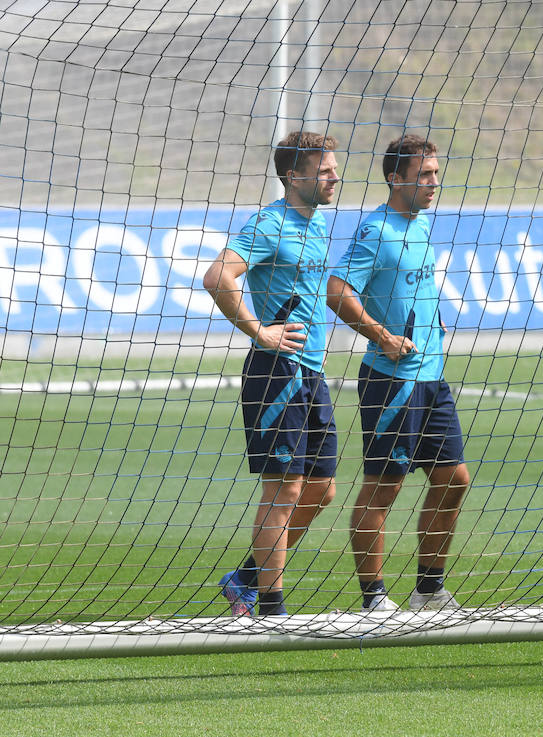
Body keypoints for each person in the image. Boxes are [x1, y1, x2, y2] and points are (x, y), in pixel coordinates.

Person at [326, 134, 472, 613]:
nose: (434, 182)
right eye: (424, 174)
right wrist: (381, 336)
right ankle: (374, 598)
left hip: (432, 377)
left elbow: (407, 288)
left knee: (454, 479)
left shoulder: (421, 226)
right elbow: (337, 290)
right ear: (395, 178)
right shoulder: (376, 230)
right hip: (391, 381)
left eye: (435, 173)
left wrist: (430, 316)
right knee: (384, 487)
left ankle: (428, 589)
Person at [202, 131, 341, 617]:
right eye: (324, 170)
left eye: (333, 167)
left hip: (312, 375)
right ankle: (272, 607)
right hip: (276, 373)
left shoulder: (320, 223)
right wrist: (261, 331)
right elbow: (217, 277)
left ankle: (243, 578)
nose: (334, 176)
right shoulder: (267, 225)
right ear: (292, 175)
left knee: (322, 490)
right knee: (284, 489)